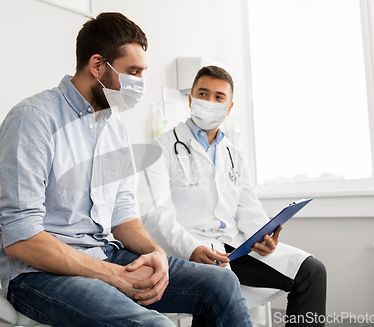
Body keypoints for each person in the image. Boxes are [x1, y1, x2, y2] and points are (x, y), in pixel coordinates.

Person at [0, 13, 253, 327]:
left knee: (221, 284)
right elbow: (21, 237)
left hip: (103, 254)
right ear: (97, 65)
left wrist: (155, 253)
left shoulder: (114, 128)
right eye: (133, 71)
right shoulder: (33, 119)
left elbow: (122, 214)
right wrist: (114, 276)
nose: (139, 82)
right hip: (39, 275)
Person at [138, 66, 327, 327]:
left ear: (229, 107)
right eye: (203, 94)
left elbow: (248, 208)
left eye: (219, 97)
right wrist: (191, 249)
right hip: (189, 248)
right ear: (191, 99)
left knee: (312, 271)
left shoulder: (233, 153)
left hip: (234, 247)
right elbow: (155, 215)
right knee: (216, 284)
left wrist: (265, 235)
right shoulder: (160, 147)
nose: (210, 102)